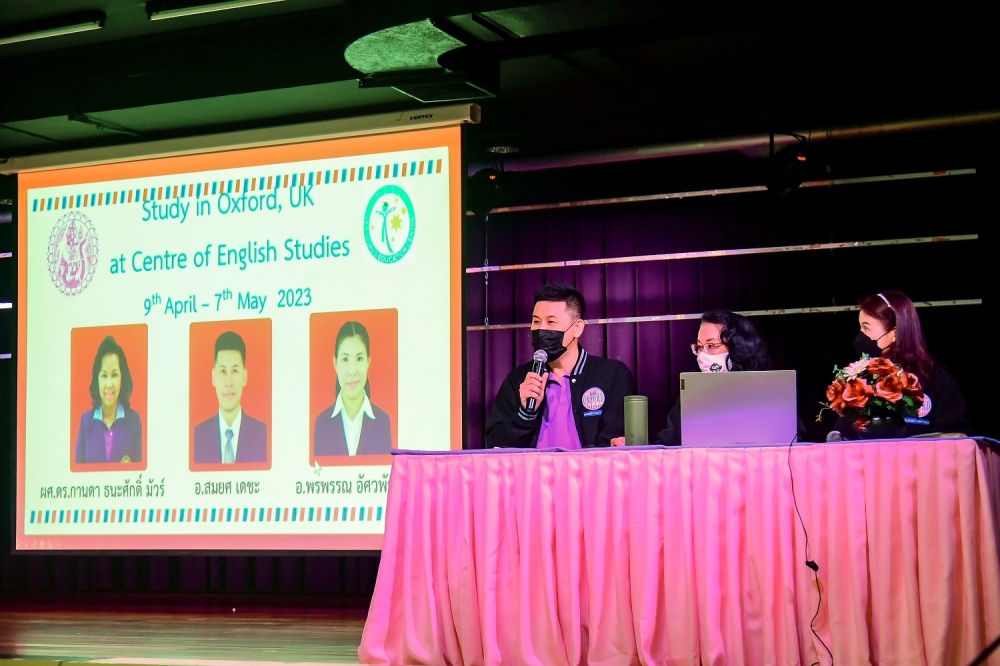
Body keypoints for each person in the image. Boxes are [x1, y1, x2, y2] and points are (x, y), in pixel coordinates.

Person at [485, 283, 632, 448]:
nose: (541, 329)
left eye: (551, 322)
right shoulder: (519, 379)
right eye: (536, 321)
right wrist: (525, 414)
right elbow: (495, 444)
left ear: (577, 328)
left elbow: (614, 441)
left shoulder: (612, 375)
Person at [830, 291, 973, 438]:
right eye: (860, 328)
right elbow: (840, 436)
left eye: (866, 328)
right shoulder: (860, 379)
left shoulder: (934, 378)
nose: (860, 336)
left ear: (894, 333)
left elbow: (956, 435)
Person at [653, 310, 773, 445]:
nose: (702, 355)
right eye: (699, 347)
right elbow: (667, 444)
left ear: (737, 347)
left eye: (711, 346)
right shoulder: (692, 395)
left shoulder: (767, 392)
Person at [314, 321, 393, 456]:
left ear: (368, 361)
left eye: (359, 358)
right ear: (335, 363)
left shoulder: (383, 422)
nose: (352, 371)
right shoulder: (322, 423)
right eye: (345, 360)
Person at [193, 331, 268, 464]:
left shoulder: (264, 435)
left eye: (235, 371)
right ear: (213, 377)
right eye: (223, 371)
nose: (229, 382)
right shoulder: (196, 437)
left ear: (245, 377)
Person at [75, 335, 143, 464]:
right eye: (104, 375)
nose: (109, 384)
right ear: (97, 379)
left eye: (114, 375)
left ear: (122, 378)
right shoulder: (86, 422)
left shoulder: (134, 422)